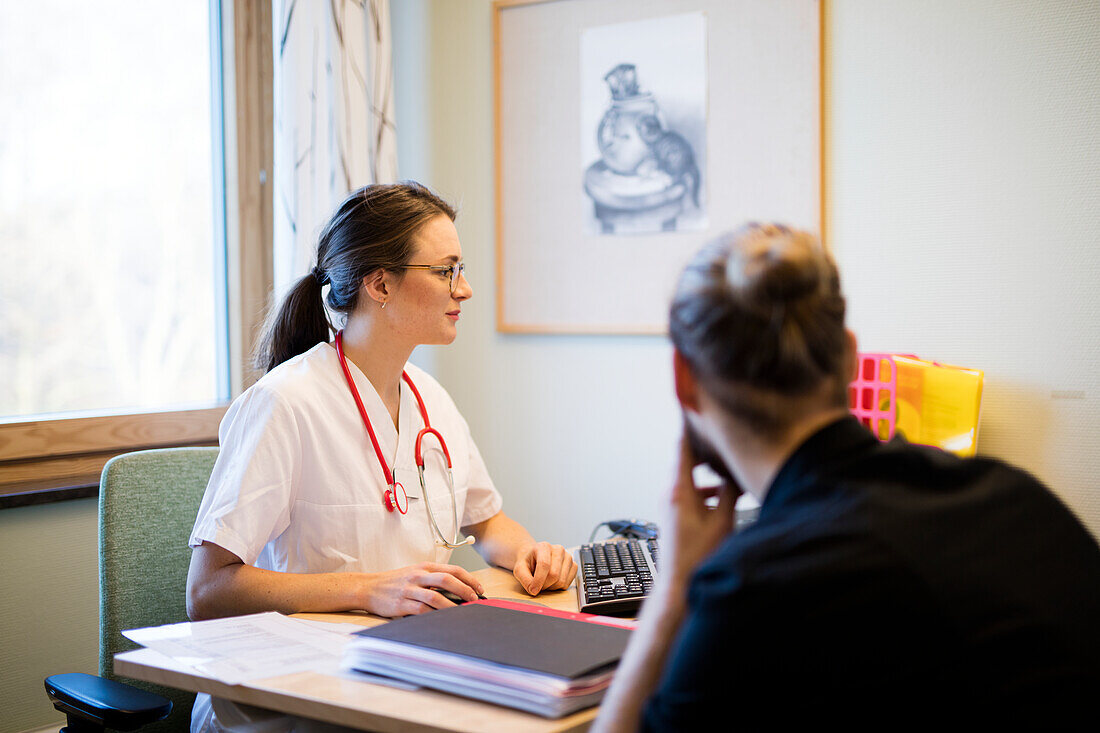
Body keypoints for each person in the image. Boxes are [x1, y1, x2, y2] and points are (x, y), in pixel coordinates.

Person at [594, 224, 1100, 731]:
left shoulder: (754, 591)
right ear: (850, 355)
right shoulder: (1017, 497)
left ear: (683, 378)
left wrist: (673, 593)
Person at [186, 182, 576, 731]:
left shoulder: (428, 397)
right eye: (447, 271)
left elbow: (489, 523)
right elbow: (207, 591)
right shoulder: (284, 403)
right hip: (293, 697)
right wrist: (370, 588)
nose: (464, 290)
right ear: (380, 284)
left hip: (406, 668)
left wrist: (530, 554)